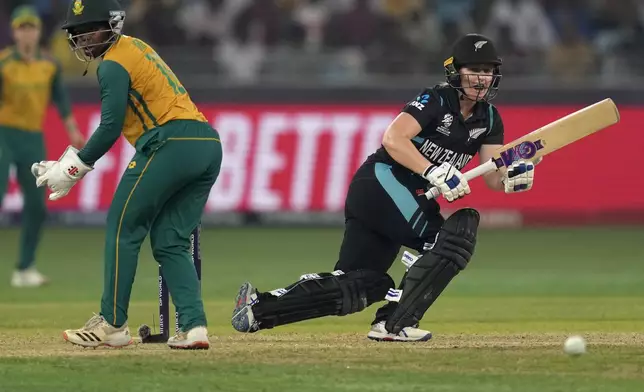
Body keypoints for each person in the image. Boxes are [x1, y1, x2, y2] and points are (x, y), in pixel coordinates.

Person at [231, 33, 539, 342]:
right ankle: (394, 323)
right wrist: (432, 170)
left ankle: (258, 309)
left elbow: (491, 174)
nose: (481, 78)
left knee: (364, 283)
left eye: (487, 71)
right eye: (474, 69)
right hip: (383, 182)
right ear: (455, 71)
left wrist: (511, 180)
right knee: (451, 237)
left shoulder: (489, 119)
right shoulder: (436, 99)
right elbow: (393, 139)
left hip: (404, 197)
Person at [31, 0, 222, 349]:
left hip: (170, 143)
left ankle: (113, 325)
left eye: (89, 30)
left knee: (122, 226)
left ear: (111, 24)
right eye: (77, 33)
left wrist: (72, 169)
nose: (83, 39)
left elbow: (109, 127)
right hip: (206, 144)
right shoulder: (137, 47)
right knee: (169, 241)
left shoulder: (113, 64)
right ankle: (194, 328)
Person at [0, 5, 85, 288]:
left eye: (31, 28)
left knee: (37, 205)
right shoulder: (4, 63)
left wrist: (72, 128)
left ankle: (24, 268)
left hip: (32, 138)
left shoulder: (49, 65)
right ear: (13, 32)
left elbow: (60, 99)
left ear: (38, 31)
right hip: (3, 134)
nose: (27, 34)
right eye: (22, 28)